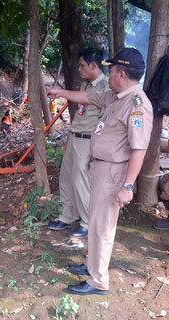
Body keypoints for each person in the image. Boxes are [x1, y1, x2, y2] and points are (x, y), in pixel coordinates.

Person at [47, 47, 153, 295]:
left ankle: (98, 281)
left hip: (114, 173)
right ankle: (92, 265)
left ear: (122, 73)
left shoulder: (137, 104)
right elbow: (86, 99)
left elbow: (139, 149)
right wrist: (59, 92)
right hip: (101, 168)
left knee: (103, 226)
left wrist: (127, 186)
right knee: (95, 223)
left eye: (113, 70)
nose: (110, 73)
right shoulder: (115, 96)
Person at [49, 48, 110, 238]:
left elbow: (105, 122)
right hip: (75, 137)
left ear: (94, 65)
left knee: (81, 182)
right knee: (66, 178)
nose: (79, 69)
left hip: (88, 141)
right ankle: (68, 215)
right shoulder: (87, 84)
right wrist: (69, 138)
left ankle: (86, 222)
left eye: (83, 65)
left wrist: (97, 149)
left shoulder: (105, 88)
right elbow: (81, 113)